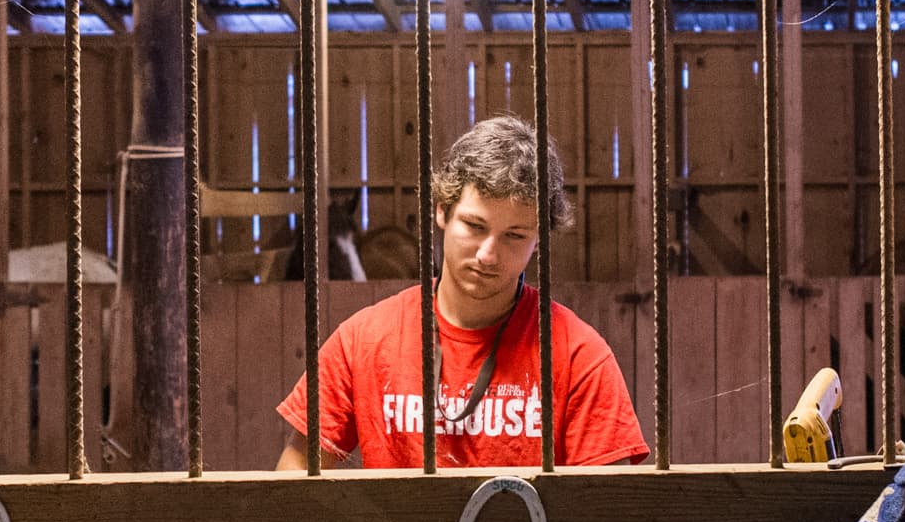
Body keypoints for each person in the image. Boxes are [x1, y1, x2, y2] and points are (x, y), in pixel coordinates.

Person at [276, 115, 649, 470]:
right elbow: (295, 471)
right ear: (442, 211)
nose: (488, 254)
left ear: (539, 240)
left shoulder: (579, 355)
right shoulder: (365, 341)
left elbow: (608, 508)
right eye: (474, 225)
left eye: (515, 236)